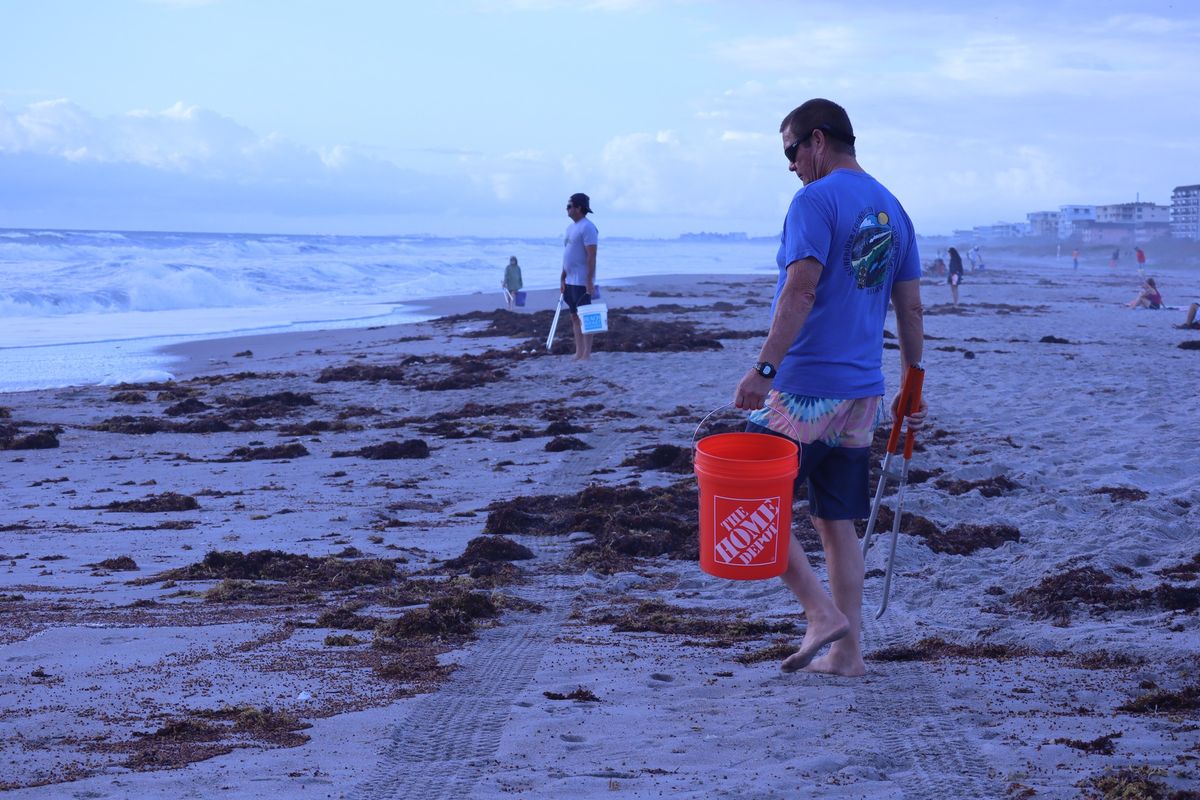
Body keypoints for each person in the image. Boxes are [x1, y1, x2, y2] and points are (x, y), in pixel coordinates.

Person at [733, 98, 926, 678]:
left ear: (817, 141)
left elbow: (801, 291)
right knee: (833, 521)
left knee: (747, 496)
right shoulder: (894, 209)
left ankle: (821, 614)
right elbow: (911, 306)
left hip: (806, 390)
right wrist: (912, 385)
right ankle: (848, 654)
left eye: (791, 150)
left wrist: (763, 369)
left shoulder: (814, 200)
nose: (790, 165)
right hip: (863, 392)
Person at [560, 192, 598, 360]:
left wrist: (589, 280)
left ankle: (587, 354)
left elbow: (591, 256)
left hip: (582, 280)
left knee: (587, 317)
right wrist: (562, 277)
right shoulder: (570, 228)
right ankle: (578, 351)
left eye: (569, 206)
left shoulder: (588, 227)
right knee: (574, 316)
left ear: (579, 208)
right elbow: (567, 254)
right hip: (569, 280)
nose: (567, 209)